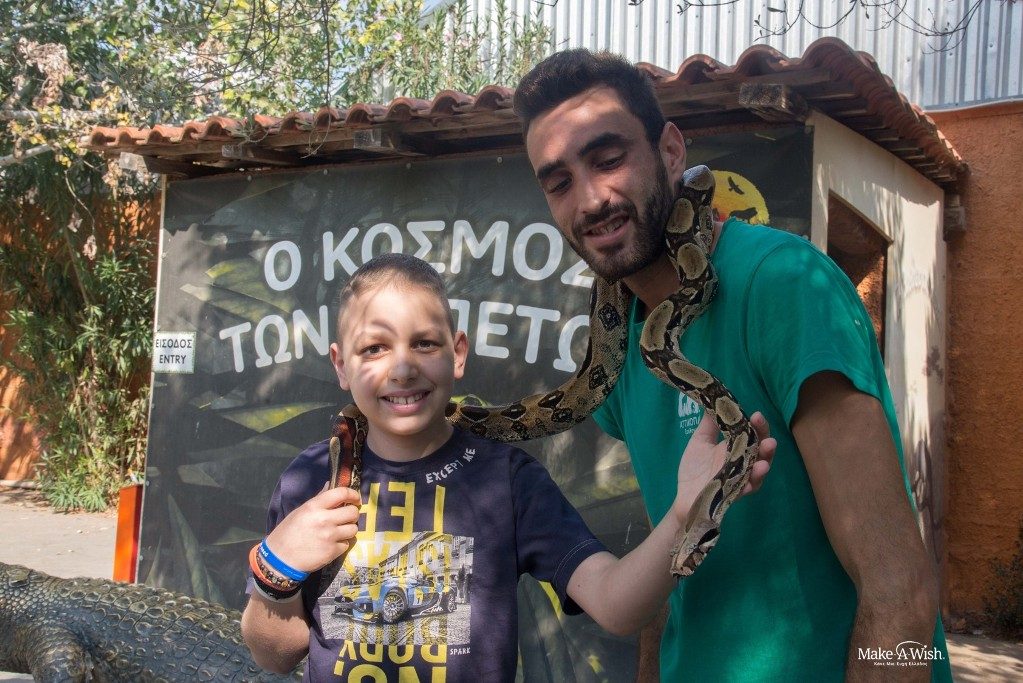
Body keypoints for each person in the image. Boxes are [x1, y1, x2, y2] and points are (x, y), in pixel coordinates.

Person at [512, 48, 953, 681]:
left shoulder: (785, 286)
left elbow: (901, 590)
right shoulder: (622, 342)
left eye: (608, 160)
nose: (590, 200)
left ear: (670, 151)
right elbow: (673, 570)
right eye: (558, 183)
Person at [240, 253, 774, 682]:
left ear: (457, 353)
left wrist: (684, 515)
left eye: (424, 343)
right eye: (374, 348)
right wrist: (275, 569)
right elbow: (276, 654)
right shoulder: (310, 481)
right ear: (340, 365)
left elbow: (616, 606)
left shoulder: (508, 479)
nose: (401, 368)